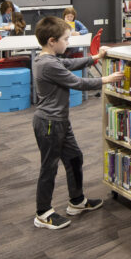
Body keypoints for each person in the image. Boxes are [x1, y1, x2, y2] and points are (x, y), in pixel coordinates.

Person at [31, 16, 124, 230]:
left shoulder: (50, 58)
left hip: (60, 121)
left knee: (74, 158)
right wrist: (105, 80)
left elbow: (71, 63)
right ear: (52, 41)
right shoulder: (47, 64)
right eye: (65, 39)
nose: (68, 42)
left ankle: (77, 201)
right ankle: (43, 213)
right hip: (49, 123)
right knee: (49, 168)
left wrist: (95, 57)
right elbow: (78, 82)